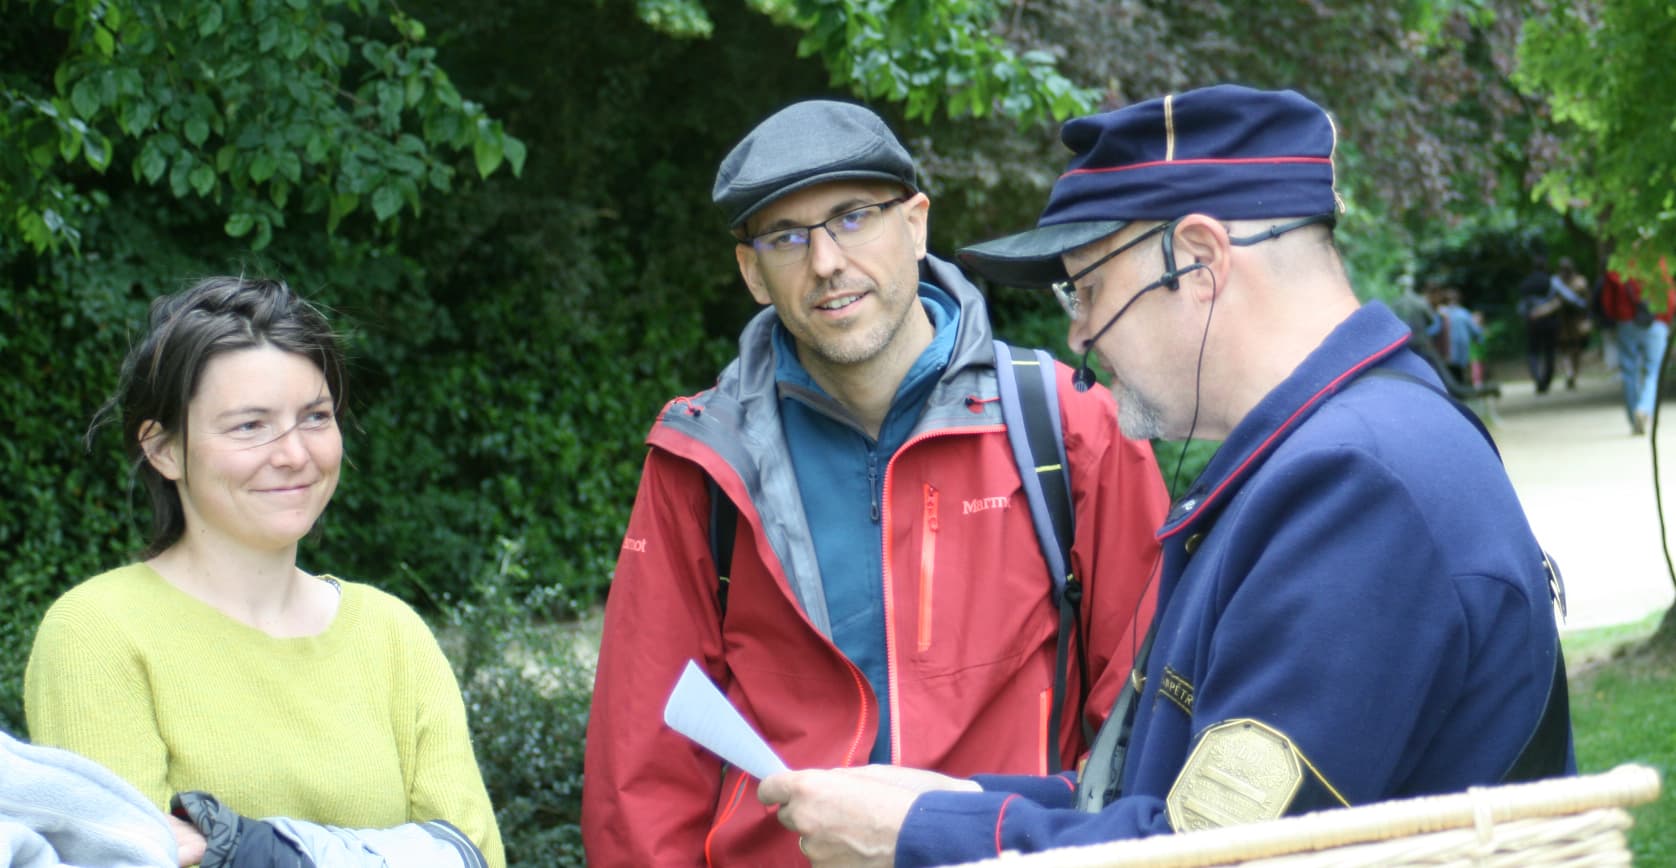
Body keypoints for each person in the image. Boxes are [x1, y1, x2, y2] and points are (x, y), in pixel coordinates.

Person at [756, 84, 1573, 866]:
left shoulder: (1357, 485)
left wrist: (919, 834)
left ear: (1198, 260)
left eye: (1087, 287)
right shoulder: (1346, 446)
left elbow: (1212, 857)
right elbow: (1166, 798)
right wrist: (942, 800)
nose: (1078, 338)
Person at [581, 99, 1171, 865]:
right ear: (752, 271)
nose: (826, 261)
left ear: (917, 223)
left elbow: (1142, 720)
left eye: (854, 217)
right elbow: (643, 769)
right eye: (787, 237)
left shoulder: (1069, 425)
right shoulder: (702, 457)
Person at [24, 276, 504, 868]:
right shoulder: (97, 633)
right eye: (250, 425)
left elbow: (472, 855)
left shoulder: (392, 635)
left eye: (315, 417)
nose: (295, 454)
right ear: (163, 449)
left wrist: (234, 848)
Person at [1597, 257, 1675, 435]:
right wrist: (1666, 318)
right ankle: (1645, 409)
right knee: (1653, 371)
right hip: (1656, 322)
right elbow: (1669, 294)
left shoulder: (1618, 265)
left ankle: (1634, 418)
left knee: (1629, 371)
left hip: (1627, 322)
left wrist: (1616, 318)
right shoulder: (1659, 262)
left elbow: (1607, 302)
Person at [1515, 249, 1563, 394]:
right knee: (1549, 351)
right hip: (1550, 321)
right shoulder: (1551, 282)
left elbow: (1522, 305)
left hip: (1532, 321)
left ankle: (1537, 378)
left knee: (1533, 351)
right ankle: (1546, 381)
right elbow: (1560, 300)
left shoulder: (1526, 283)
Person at [1552, 257, 1593, 389]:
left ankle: (1573, 373)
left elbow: (1588, 301)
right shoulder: (1557, 283)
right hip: (1563, 320)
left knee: (1576, 349)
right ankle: (1570, 373)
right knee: (1565, 348)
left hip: (1577, 320)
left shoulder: (1580, 281)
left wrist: (1588, 318)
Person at [1437, 288, 1485, 386]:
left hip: (1446, 351)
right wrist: (1480, 339)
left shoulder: (1442, 313)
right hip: (1460, 349)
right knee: (1460, 372)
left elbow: (1433, 330)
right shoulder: (1463, 313)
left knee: (1451, 373)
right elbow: (1474, 330)